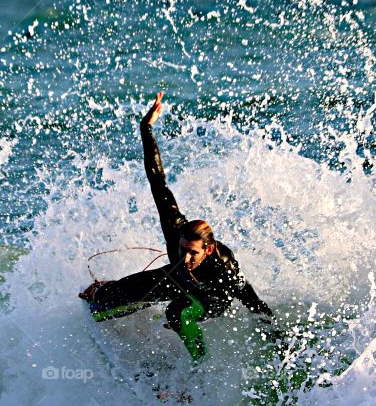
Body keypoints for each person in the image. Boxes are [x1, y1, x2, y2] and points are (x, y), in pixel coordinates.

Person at [79, 92, 277, 360]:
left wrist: (279, 341)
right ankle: (111, 307)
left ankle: (198, 371)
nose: (185, 256)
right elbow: (157, 180)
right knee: (104, 297)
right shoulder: (177, 230)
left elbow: (253, 302)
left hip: (209, 298)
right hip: (175, 279)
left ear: (208, 250)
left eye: (193, 253)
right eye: (183, 248)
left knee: (177, 311)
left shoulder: (225, 265)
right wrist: (145, 128)